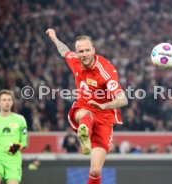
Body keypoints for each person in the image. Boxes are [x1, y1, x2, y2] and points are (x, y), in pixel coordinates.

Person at [46, 28, 128, 184]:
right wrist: (54, 38)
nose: (84, 54)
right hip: (83, 110)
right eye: (80, 51)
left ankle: (86, 135)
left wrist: (104, 106)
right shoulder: (76, 60)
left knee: (95, 171)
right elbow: (65, 52)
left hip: (104, 117)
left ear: (94, 50)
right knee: (86, 115)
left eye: (87, 50)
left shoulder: (105, 72)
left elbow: (123, 99)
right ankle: (85, 133)